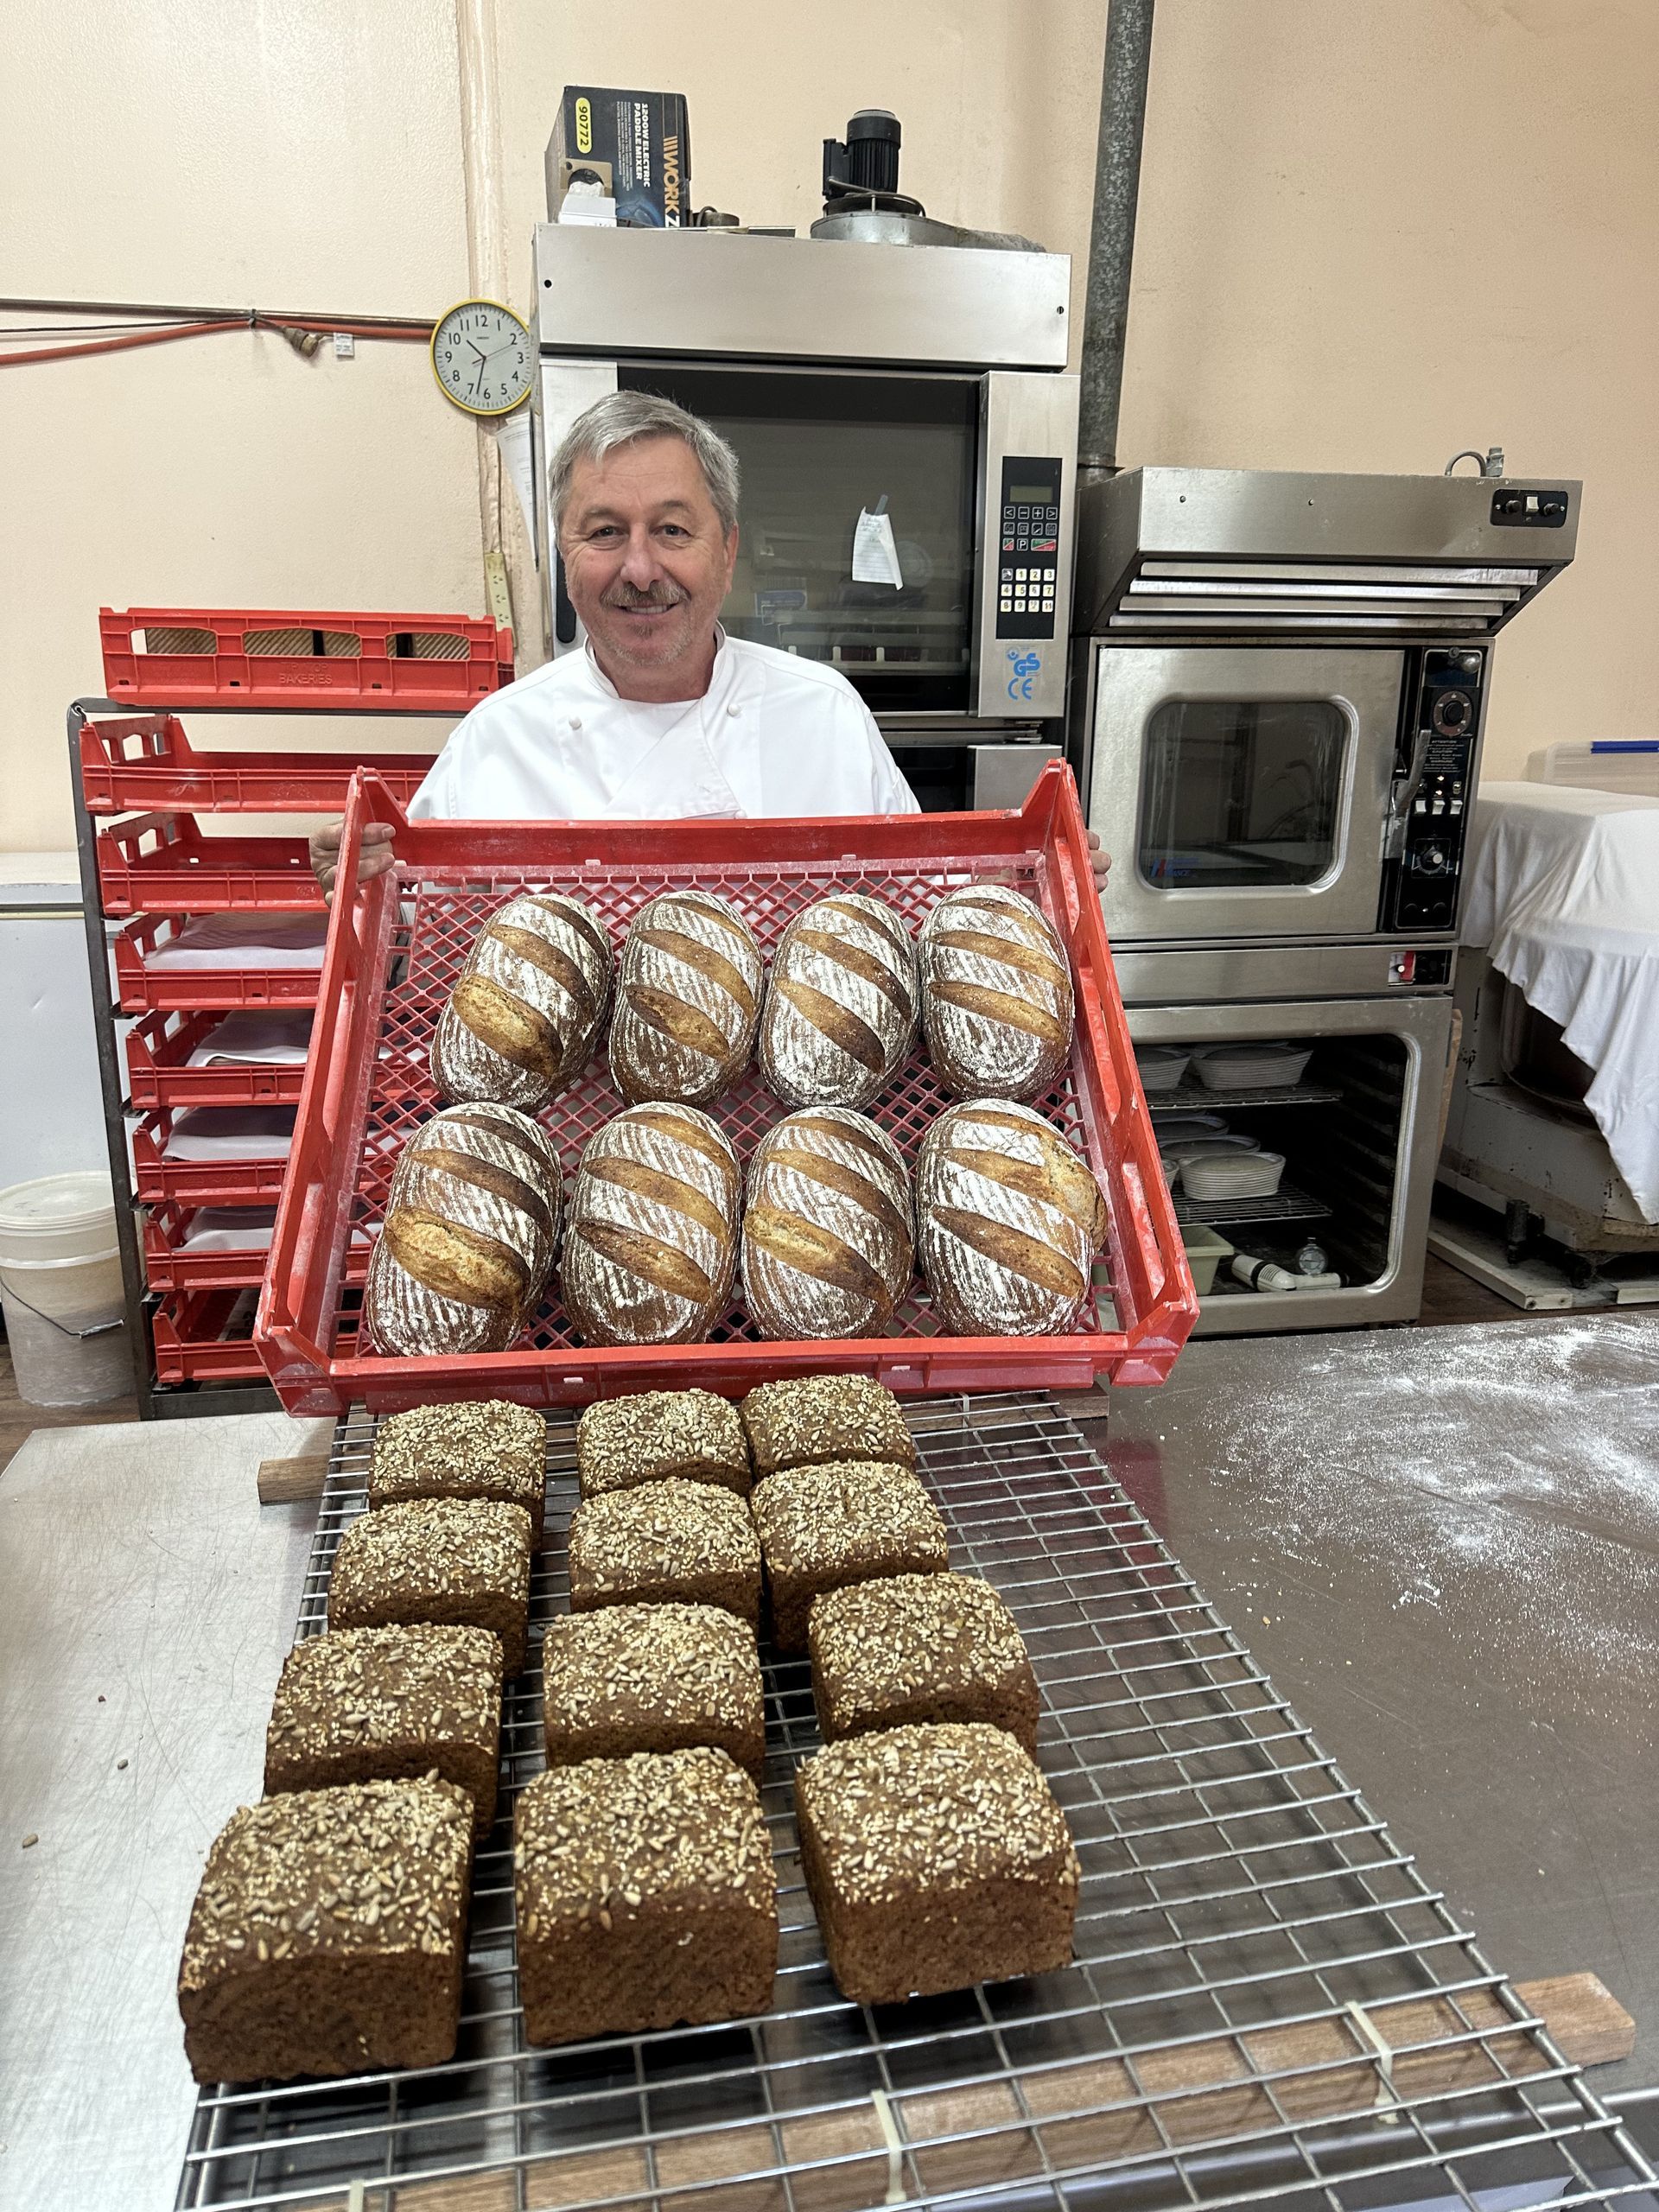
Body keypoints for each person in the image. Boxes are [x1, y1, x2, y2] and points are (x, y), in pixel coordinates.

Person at [309, 391, 1110, 894]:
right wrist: (362, 896)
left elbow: (918, 921)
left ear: (727, 552)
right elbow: (421, 970)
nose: (639, 567)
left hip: (796, 1144)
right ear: (565, 556)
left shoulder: (820, 713)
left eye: (671, 530)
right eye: (603, 532)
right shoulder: (498, 739)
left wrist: (1035, 892)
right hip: (567, 1144)